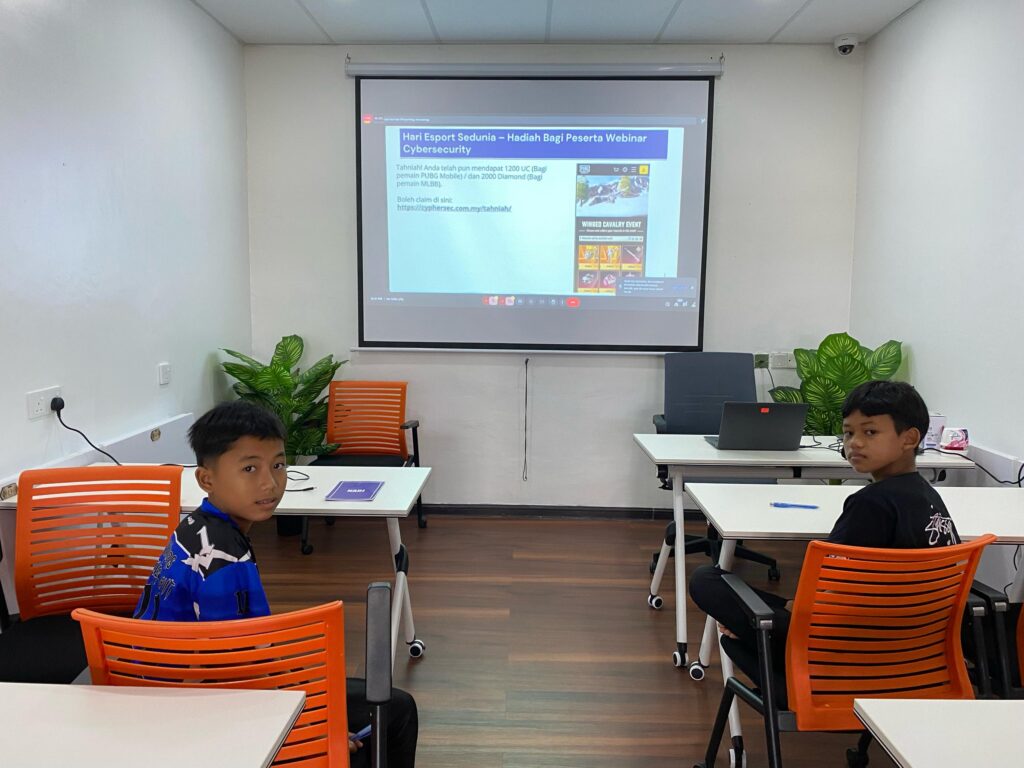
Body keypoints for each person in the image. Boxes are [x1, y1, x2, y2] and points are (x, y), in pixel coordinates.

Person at [134, 400, 418, 768]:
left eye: (279, 465)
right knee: (398, 711)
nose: (270, 483)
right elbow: (240, 677)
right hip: (200, 715)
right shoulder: (226, 559)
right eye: (249, 468)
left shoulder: (194, 527)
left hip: (158, 693)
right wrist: (318, 728)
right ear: (207, 479)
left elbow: (247, 657)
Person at [689, 380, 960, 666]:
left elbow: (822, 589)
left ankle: (778, 662)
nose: (854, 443)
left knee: (708, 581)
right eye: (848, 433)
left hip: (843, 649)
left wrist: (749, 620)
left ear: (909, 438)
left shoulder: (870, 504)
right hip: (912, 644)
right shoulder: (928, 496)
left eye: (870, 432)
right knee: (765, 607)